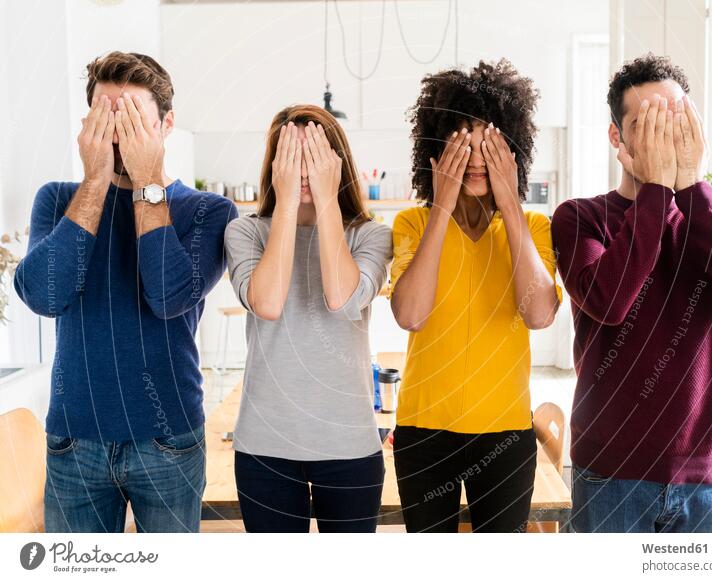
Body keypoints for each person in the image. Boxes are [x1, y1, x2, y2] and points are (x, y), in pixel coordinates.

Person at [551, 53, 712, 533]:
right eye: (648, 124)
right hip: (610, 475)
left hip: (705, 479)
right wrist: (659, 192)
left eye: (676, 121)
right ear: (616, 138)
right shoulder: (580, 218)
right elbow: (610, 300)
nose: (666, 137)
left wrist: (694, 191)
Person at [13, 51, 237, 533]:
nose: (118, 134)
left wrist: (147, 181)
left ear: (167, 123)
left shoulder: (207, 211)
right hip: (74, 440)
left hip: (168, 439)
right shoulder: (57, 199)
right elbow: (44, 297)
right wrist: (95, 180)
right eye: (105, 117)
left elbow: (167, 295)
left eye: (133, 118)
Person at [389, 59, 561, 533]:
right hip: (424, 431)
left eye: (490, 144)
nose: (478, 159)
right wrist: (441, 206)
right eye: (463, 144)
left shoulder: (534, 229)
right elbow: (409, 314)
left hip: (505, 433)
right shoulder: (414, 224)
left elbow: (539, 314)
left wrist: (510, 203)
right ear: (437, 150)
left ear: (514, 152)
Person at [224, 105, 391, 533]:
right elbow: (268, 302)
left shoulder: (370, 235)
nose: (303, 169)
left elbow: (343, 297)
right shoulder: (245, 232)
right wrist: (283, 206)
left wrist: (327, 200)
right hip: (266, 448)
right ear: (273, 164)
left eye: (314, 156)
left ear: (336, 163)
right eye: (291, 157)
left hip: (350, 446)